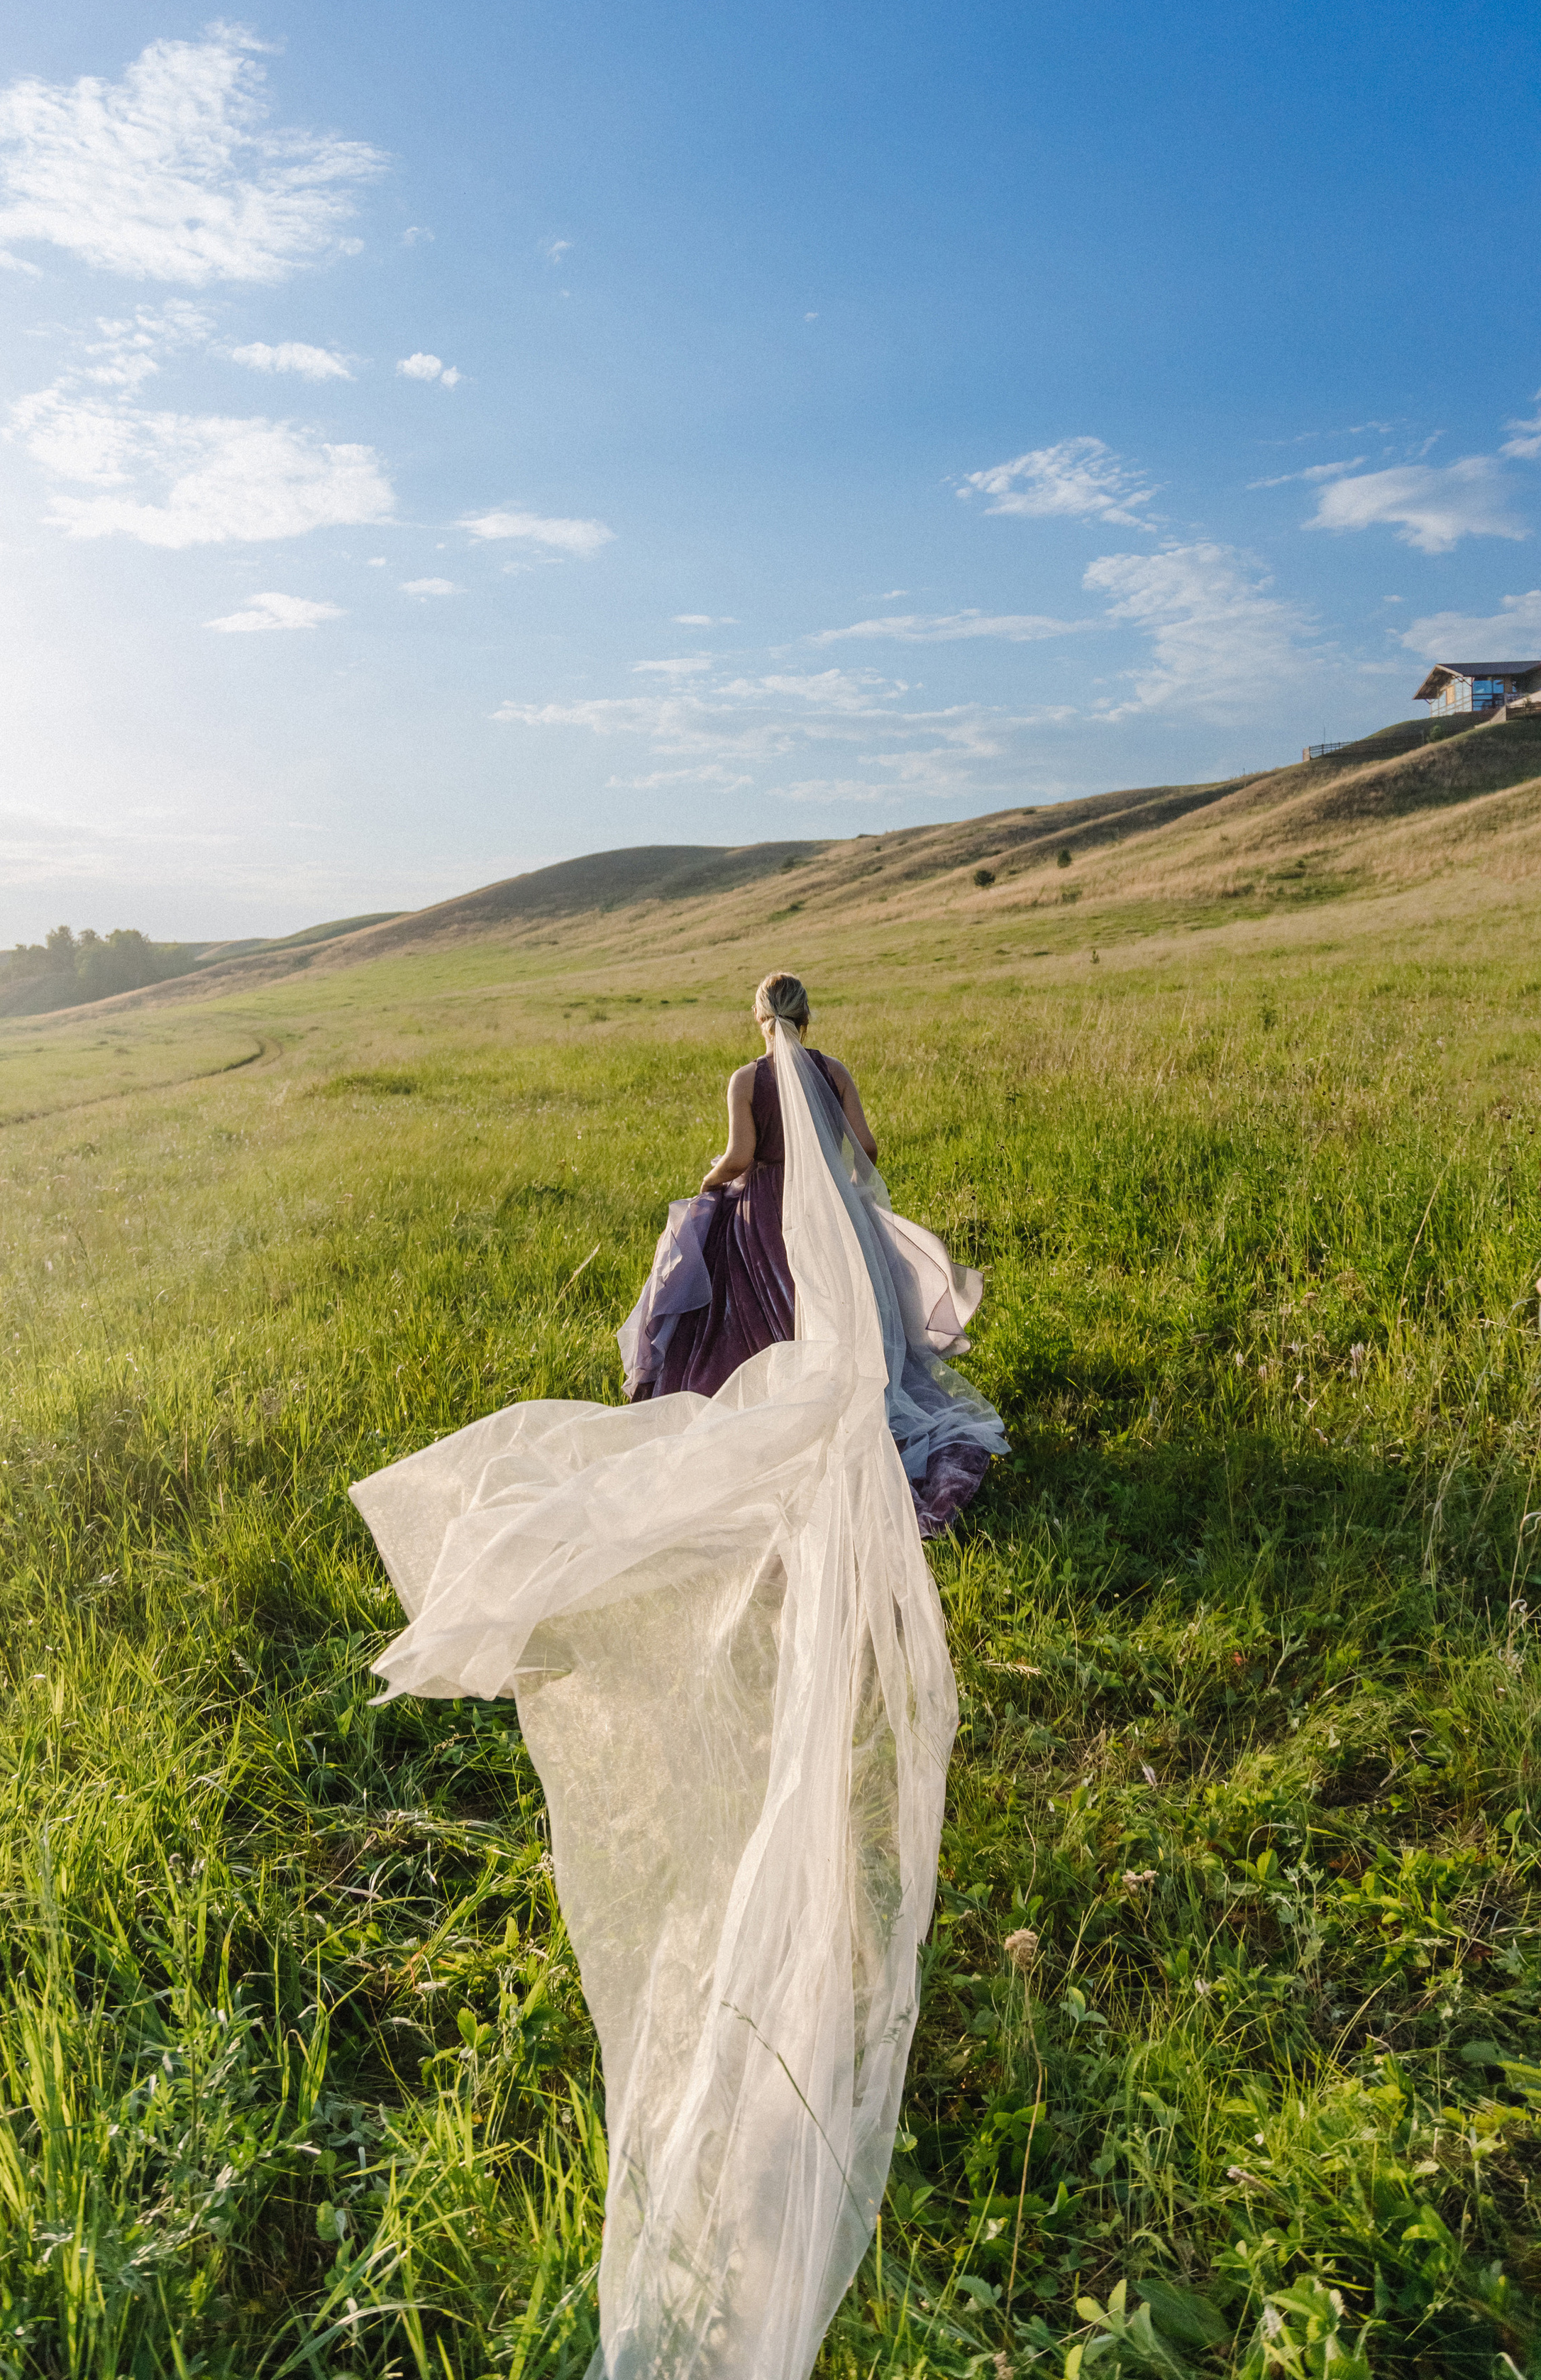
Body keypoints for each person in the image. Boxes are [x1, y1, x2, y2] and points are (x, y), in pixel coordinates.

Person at [350, 977, 1000, 2380]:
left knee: (719, 1357)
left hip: (760, 1304)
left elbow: (697, 1250)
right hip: (821, 1311)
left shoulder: (730, 1148)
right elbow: (885, 1228)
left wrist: (701, 1289)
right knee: (871, 1385)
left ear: (746, 1062)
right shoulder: (833, 1145)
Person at [621, 969, 1005, 1534]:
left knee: (759, 1312)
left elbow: (741, 1156)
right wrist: (843, 1185)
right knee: (839, 1308)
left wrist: (709, 1183)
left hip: (766, 1215)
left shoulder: (747, 1080)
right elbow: (868, 1146)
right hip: (831, 1209)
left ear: (760, 1020)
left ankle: (767, 1411)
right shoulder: (834, 1072)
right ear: (807, 1018)